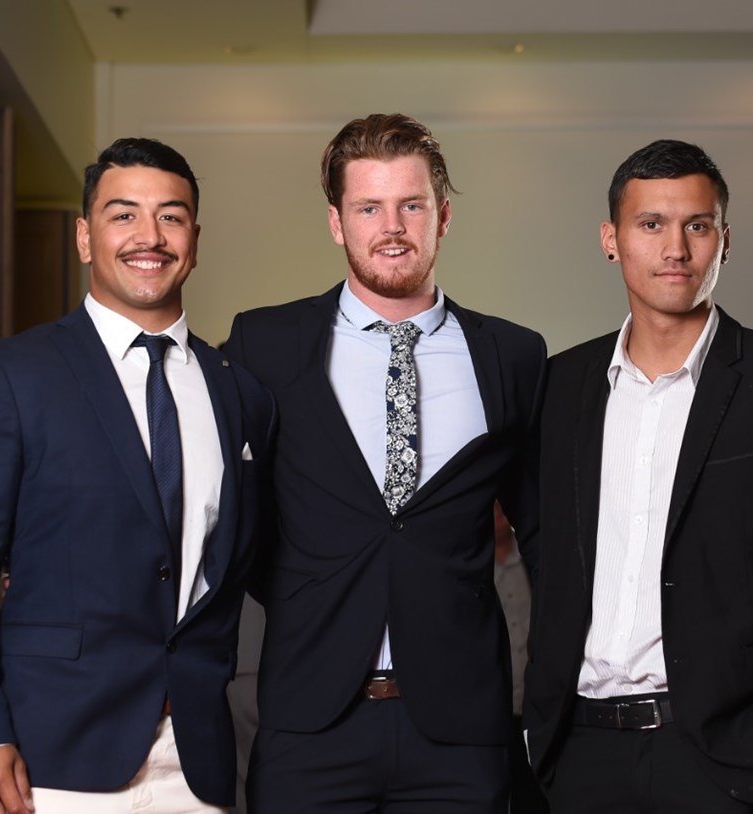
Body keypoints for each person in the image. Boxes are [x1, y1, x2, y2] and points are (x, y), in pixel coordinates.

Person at [523, 139, 753, 813]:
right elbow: (540, 559)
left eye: (697, 225)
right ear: (611, 240)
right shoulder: (558, 388)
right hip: (577, 755)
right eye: (651, 224)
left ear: (725, 240)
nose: (676, 249)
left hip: (727, 758)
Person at [0, 137, 275, 814]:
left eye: (171, 217)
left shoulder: (240, 394)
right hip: (47, 760)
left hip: (200, 763)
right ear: (85, 237)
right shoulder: (12, 376)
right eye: (124, 215)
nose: (150, 236)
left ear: (194, 242)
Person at [224, 113, 546, 813]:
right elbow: (225, 513)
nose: (392, 227)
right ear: (337, 222)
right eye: (369, 207)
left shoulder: (513, 356)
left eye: (412, 205)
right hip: (311, 725)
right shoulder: (263, 344)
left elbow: (549, 540)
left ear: (443, 216)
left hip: (461, 733)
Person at [493, 504, 549, 814]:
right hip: (499, 709)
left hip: (534, 705)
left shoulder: (533, 560)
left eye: (503, 512)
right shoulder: (477, 567)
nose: (498, 518)